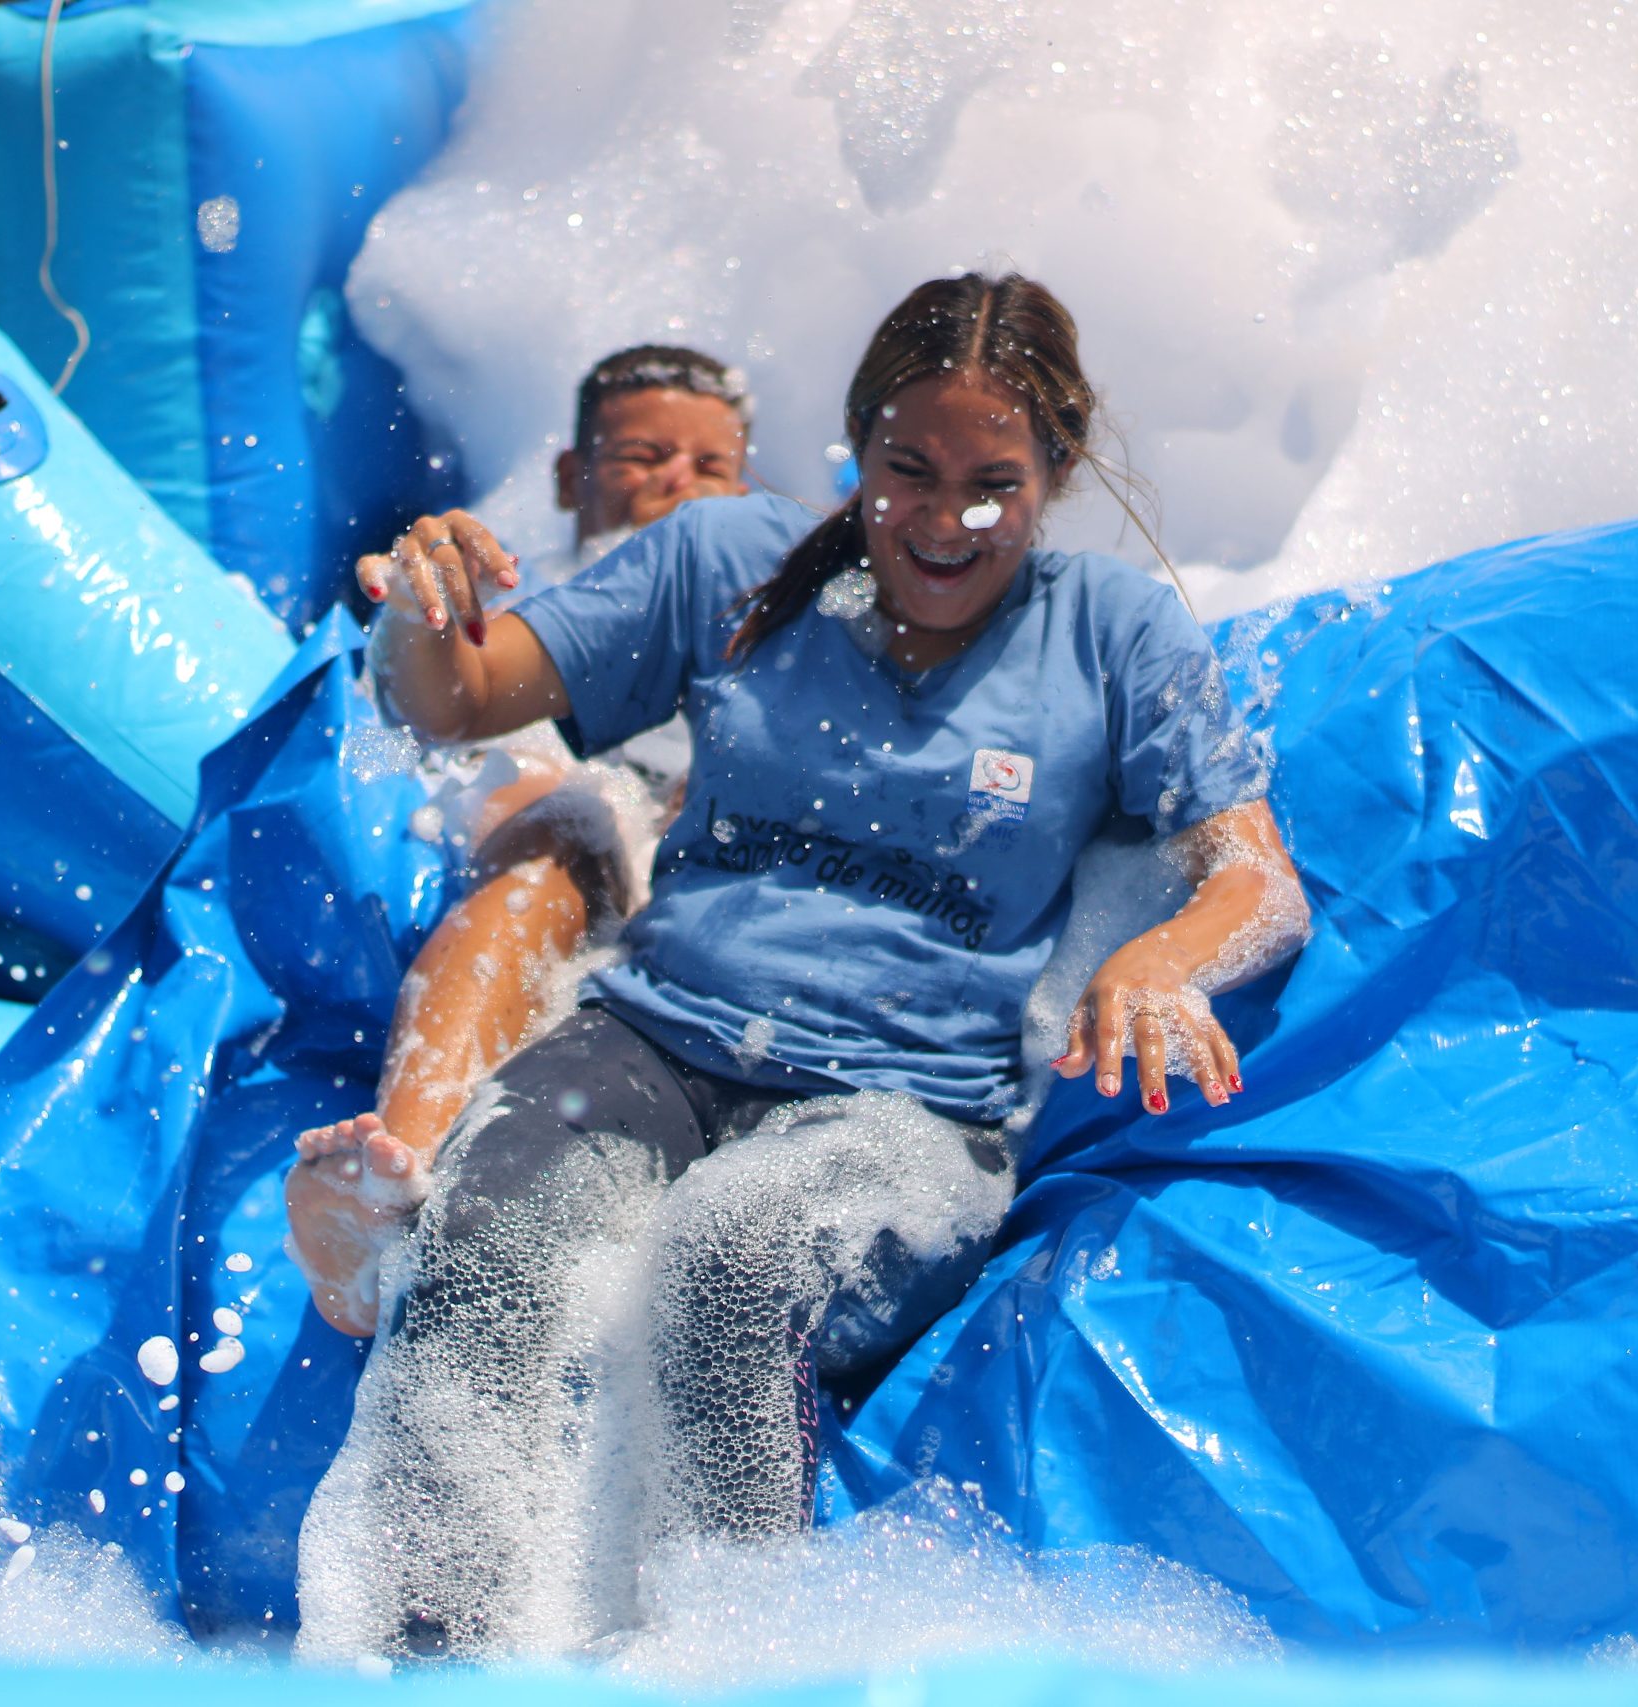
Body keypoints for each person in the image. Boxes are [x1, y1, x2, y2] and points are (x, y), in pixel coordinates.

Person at [295, 273, 1311, 1659]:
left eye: (992, 485)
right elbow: (458, 695)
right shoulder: (727, 565)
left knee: (736, 1255)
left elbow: (1256, 878)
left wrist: (1165, 960)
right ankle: (423, 1657)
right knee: (487, 1233)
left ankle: (725, 1668)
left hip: (903, 1108)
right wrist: (422, 613)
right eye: (909, 470)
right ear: (857, 441)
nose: (944, 520)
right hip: (652, 1045)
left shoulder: (1113, 632)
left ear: (1056, 475)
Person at [288, 344, 752, 1335]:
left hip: (699, 899)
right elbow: (428, 687)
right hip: (547, 839)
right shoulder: (518, 586)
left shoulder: (771, 614)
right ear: (571, 477)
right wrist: (414, 614)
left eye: (709, 465)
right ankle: (386, 1200)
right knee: (557, 844)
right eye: (642, 453)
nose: (677, 479)